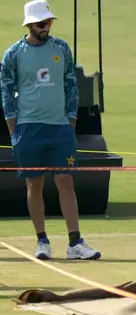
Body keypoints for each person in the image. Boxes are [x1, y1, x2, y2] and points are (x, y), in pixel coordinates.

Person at [1, 0, 101, 261]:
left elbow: (70, 84)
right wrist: (14, 127)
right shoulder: (13, 54)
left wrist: (71, 119)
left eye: (48, 22)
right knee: (34, 183)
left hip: (59, 128)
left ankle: (74, 242)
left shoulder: (62, 48)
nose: (46, 27)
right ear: (29, 25)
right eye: (41, 23)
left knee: (65, 181)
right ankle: (42, 241)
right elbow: (6, 91)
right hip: (28, 128)